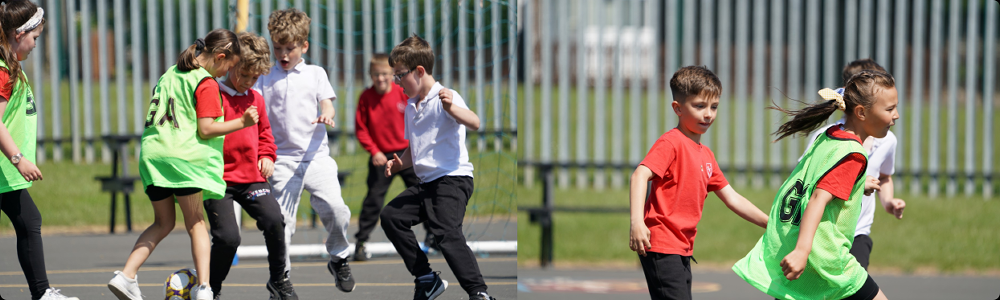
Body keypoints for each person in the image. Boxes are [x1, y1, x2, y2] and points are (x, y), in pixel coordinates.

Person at [108, 28, 252, 300]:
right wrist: (241, 123)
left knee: (162, 222)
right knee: (197, 222)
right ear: (220, 56)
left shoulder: (170, 73)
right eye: (228, 67)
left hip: (153, 156)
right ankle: (205, 288)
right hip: (181, 158)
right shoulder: (205, 82)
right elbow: (207, 129)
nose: (224, 74)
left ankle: (125, 276)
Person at [732, 70, 899, 300]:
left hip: (808, 255)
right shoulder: (853, 154)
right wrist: (802, 251)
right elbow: (818, 197)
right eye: (890, 109)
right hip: (828, 261)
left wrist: (858, 186)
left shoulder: (829, 136)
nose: (896, 115)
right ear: (861, 112)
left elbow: (816, 181)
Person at [628, 65, 769, 300]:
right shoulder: (671, 143)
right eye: (699, 106)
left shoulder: (706, 156)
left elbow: (732, 198)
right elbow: (639, 175)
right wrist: (636, 222)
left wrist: (770, 223)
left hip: (682, 247)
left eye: (714, 107)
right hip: (662, 245)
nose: (708, 114)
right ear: (678, 108)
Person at [382, 33, 494, 300]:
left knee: (445, 232)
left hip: (452, 180)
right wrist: (400, 164)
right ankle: (426, 278)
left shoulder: (446, 96)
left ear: (419, 71)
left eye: (400, 75)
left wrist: (452, 108)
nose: (398, 83)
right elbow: (415, 148)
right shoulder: (411, 107)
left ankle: (479, 293)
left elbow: (475, 122)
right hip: (426, 184)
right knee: (391, 217)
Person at [253, 8, 354, 293]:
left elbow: (327, 102)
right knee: (282, 225)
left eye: (290, 48)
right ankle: (280, 279)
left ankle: (339, 257)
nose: (283, 55)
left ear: (304, 46)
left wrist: (326, 113)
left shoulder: (315, 73)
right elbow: (256, 111)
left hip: (316, 157)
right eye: (278, 49)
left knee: (337, 210)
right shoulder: (265, 78)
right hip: (282, 160)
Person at [202, 31, 296, 300]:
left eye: (255, 78)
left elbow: (266, 136)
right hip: (218, 179)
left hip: (251, 178)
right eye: (243, 75)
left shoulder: (256, 99)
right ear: (231, 65)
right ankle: (212, 289)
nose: (248, 82)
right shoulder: (213, 93)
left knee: (275, 220)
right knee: (229, 238)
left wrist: (267, 156)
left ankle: (279, 279)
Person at [0, 1, 78, 299]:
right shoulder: (2, 71)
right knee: (29, 222)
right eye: (35, 38)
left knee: (29, 222)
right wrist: (18, 159)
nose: (35, 45)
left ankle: (42, 293)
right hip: (7, 166)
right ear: (19, 34)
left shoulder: (10, 67)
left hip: (5, 171)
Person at [799, 59, 906, 270]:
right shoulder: (829, 138)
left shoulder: (888, 141)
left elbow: (884, 177)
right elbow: (810, 184)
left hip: (857, 233)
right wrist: (856, 184)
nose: (896, 115)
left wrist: (888, 201)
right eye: (889, 107)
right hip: (823, 233)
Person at [353, 53, 426, 261]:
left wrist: (414, 149)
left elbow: (417, 120)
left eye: (385, 74)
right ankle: (361, 242)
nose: (381, 78)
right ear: (370, 75)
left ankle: (435, 236)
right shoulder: (366, 98)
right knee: (374, 200)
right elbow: (361, 129)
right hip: (381, 158)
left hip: (407, 155)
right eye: (376, 74)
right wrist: (374, 151)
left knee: (425, 193)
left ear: (393, 74)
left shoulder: (402, 93)